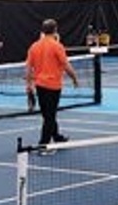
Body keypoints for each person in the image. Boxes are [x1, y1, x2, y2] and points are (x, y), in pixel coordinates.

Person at [25, 18, 79, 149]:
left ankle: (56, 136)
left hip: (40, 86)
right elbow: (66, 65)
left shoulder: (34, 46)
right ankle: (43, 144)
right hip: (53, 87)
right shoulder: (57, 46)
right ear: (55, 30)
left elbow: (28, 68)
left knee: (48, 114)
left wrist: (28, 85)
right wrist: (74, 78)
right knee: (49, 116)